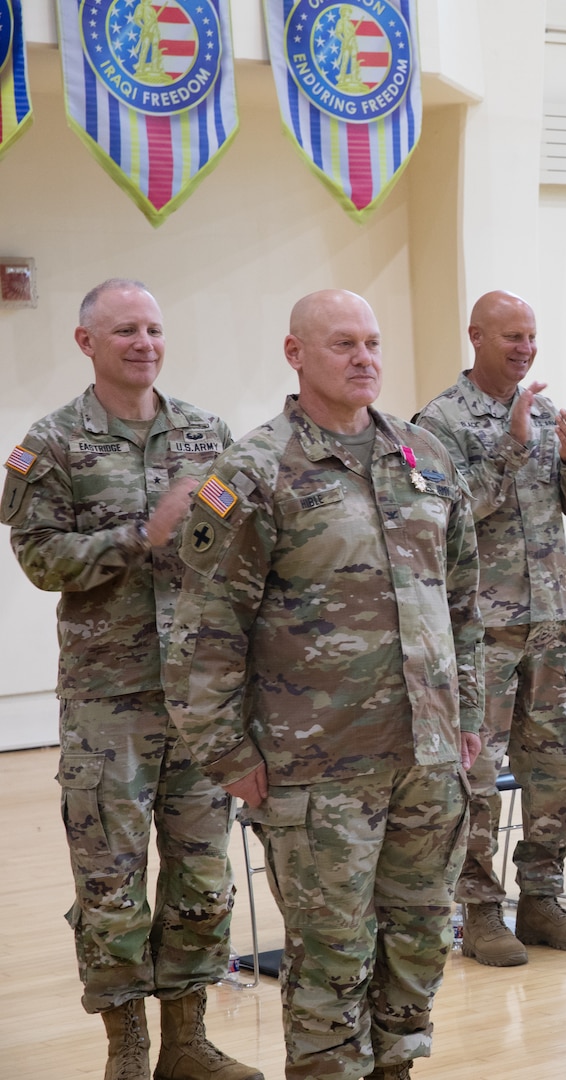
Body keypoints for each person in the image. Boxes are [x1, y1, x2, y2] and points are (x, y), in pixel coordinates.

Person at [164, 290, 483, 1080]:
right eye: (343, 343)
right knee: (332, 958)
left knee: (420, 939)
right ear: (296, 354)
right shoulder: (252, 471)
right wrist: (225, 752)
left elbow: (463, 600)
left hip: (428, 757)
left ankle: (396, 1068)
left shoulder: (426, 456)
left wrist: (469, 714)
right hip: (317, 769)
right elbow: (206, 627)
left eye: (371, 342)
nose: (364, 357)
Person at [2, 280, 257, 1080]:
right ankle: (128, 1048)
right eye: (124, 331)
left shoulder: (207, 435)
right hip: (108, 701)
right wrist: (140, 536)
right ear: (87, 342)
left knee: (202, 877)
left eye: (152, 328)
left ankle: (187, 1040)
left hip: (200, 699)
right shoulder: (52, 446)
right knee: (111, 883)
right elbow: (41, 560)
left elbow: (239, 545)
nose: (143, 343)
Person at [413, 291, 566, 962]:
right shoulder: (438, 422)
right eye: (511, 337)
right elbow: (444, 513)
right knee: (477, 775)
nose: (525, 348)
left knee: (557, 768)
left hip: (548, 618)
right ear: (476, 337)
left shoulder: (544, 411)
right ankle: (480, 910)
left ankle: (542, 900)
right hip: (481, 628)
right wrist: (511, 449)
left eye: (531, 336)